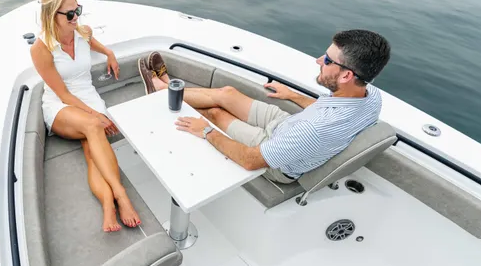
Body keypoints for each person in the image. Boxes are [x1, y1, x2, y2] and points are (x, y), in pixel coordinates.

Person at [139, 30, 390, 183]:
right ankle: (166, 88)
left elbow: (251, 161)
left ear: (346, 76)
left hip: (277, 160)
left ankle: (164, 93)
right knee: (227, 93)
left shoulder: (313, 131)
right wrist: (292, 95)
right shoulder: (371, 97)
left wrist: (206, 131)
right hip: (288, 126)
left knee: (214, 114)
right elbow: (326, 109)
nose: (317, 61)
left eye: (326, 60)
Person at [31, 0, 141, 232]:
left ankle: (108, 206)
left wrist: (109, 53)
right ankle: (121, 195)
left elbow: (95, 44)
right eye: (69, 14)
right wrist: (95, 115)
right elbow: (62, 94)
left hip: (88, 98)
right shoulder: (41, 49)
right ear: (52, 16)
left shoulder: (82, 32)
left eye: (77, 10)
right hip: (61, 105)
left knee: (92, 152)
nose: (76, 17)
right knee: (94, 126)